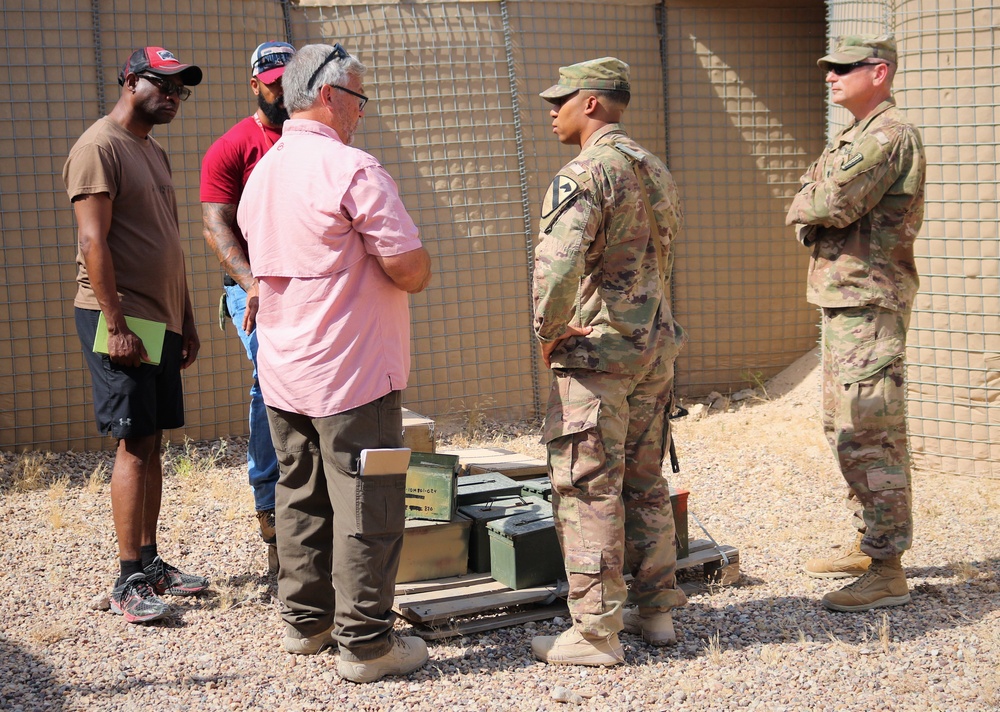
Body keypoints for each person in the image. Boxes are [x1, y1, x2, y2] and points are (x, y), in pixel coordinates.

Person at [237, 43, 432, 682]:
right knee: (368, 502)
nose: (362, 113)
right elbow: (410, 268)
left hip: (284, 370)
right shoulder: (352, 169)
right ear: (328, 96)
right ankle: (367, 644)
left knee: (299, 495)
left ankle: (306, 623)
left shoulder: (263, 173)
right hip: (352, 373)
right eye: (358, 98)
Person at [530, 57, 688, 667]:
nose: (552, 110)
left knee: (588, 484)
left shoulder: (585, 173)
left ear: (591, 103)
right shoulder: (654, 169)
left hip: (599, 353)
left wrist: (548, 331)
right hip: (653, 345)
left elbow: (558, 265)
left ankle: (595, 633)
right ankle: (658, 612)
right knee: (645, 479)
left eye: (561, 98)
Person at [63, 47, 210, 624]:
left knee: (151, 443)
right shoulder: (98, 147)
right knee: (131, 445)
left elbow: (169, 244)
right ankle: (127, 581)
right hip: (119, 318)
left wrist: (189, 320)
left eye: (181, 88)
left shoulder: (153, 151)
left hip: (161, 320)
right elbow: (92, 243)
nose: (173, 94)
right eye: (162, 82)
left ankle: (149, 562)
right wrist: (116, 323)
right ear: (129, 80)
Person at [786, 35, 925, 612]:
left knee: (870, 430)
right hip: (847, 300)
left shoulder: (888, 135)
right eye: (829, 68)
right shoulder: (855, 136)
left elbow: (827, 203)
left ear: (880, 72)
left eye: (844, 68)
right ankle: (871, 544)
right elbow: (808, 196)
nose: (831, 76)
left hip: (869, 299)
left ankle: (888, 569)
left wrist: (808, 204)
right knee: (842, 426)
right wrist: (807, 202)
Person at [201, 41, 296, 574]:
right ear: (255, 84)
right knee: (270, 375)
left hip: (307, 283)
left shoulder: (315, 141)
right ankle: (269, 501)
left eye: (290, 79)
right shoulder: (233, 146)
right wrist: (250, 282)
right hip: (253, 286)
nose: (282, 89)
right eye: (273, 80)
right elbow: (216, 223)